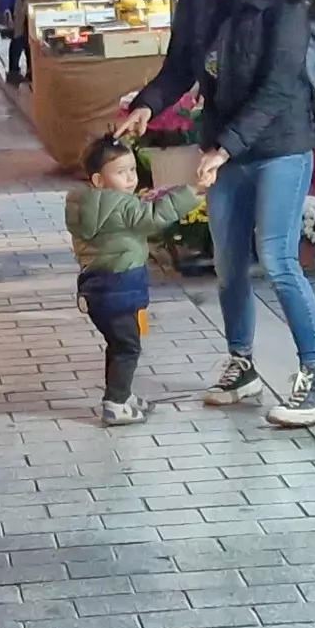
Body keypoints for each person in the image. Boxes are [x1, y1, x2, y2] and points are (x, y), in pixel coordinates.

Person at [125, 0, 315, 426]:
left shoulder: (285, 1)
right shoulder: (199, 2)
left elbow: (277, 88)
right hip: (226, 148)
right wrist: (146, 106)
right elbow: (179, 68)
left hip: (281, 145)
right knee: (228, 264)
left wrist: (223, 148)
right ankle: (241, 365)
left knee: (278, 259)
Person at [67, 137, 208, 425]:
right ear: (99, 179)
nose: (131, 178)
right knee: (128, 348)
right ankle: (115, 404)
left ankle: (122, 393)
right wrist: (191, 193)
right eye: (121, 172)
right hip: (121, 288)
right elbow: (153, 217)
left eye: (132, 169)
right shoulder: (120, 205)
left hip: (97, 289)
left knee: (117, 345)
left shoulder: (85, 204)